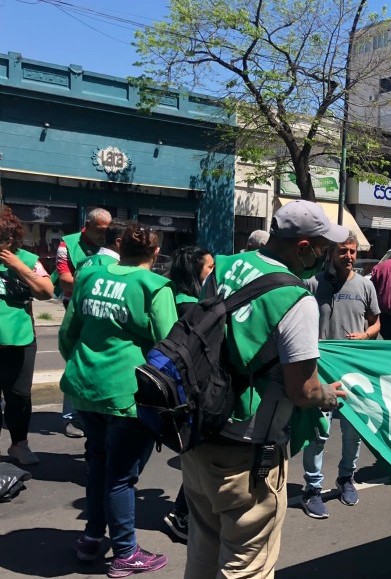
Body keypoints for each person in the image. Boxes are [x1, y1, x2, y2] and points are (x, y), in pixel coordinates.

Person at [181, 199, 347, 579]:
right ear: (303, 247)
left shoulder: (222, 266)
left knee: (203, 554)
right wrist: (328, 394)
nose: (326, 256)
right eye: (323, 247)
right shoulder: (296, 299)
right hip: (247, 454)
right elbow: (302, 390)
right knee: (247, 567)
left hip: (198, 433)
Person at [59, 223, 177, 576]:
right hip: (128, 393)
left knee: (98, 464)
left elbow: (68, 333)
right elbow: (170, 346)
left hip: (86, 386)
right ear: (155, 255)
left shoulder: (90, 276)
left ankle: (93, 537)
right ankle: (125, 551)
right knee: (122, 476)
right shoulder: (153, 286)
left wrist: (84, 365)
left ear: (120, 246)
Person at [300, 231, 380, 519]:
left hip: (352, 375)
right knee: (318, 434)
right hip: (320, 372)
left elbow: (375, 323)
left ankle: (346, 477)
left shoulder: (364, 286)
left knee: (352, 433)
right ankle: (312, 488)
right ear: (330, 254)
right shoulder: (312, 284)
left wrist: (366, 335)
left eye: (352, 251)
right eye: (343, 251)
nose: (348, 256)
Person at [160, 245, 215, 542]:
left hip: (177, 392)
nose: (214, 274)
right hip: (191, 394)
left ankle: (187, 512)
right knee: (198, 456)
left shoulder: (172, 297)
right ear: (196, 272)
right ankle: (181, 514)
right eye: (210, 268)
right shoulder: (193, 308)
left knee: (196, 456)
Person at [0, 207, 55, 465]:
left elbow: (46, 291)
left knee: (19, 397)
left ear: (9, 240)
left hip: (19, 341)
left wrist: (18, 266)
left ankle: (19, 445)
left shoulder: (28, 259)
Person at [57, 207, 113, 438]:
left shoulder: (111, 244)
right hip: (77, 306)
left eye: (107, 231)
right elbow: (65, 282)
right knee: (75, 359)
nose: (103, 235)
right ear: (87, 225)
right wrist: (96, 283)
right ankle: (72, 417)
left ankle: (98, 411)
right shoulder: (68, 244)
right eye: (99, 230)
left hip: (105, 306)